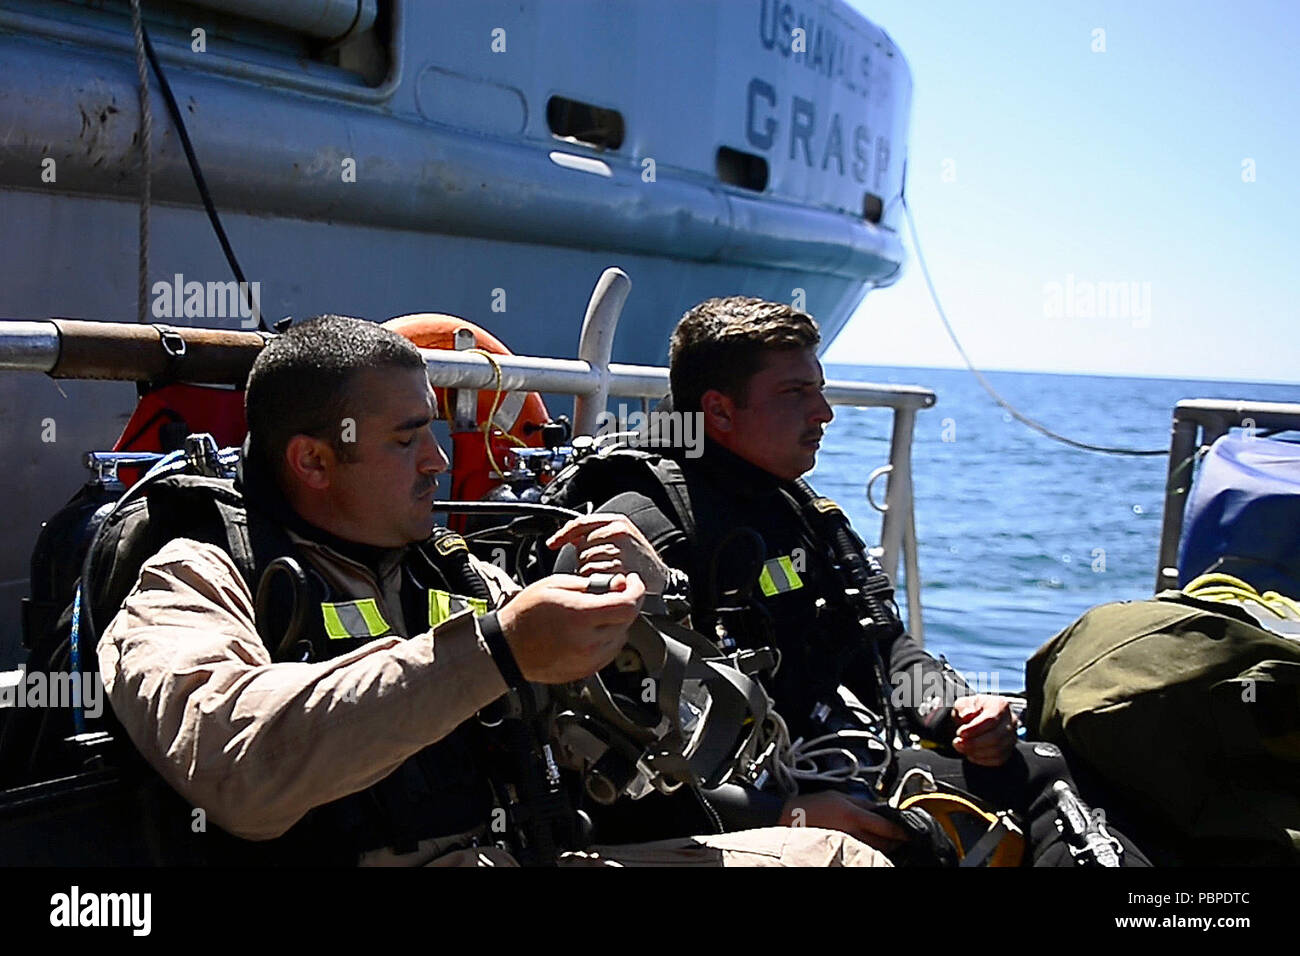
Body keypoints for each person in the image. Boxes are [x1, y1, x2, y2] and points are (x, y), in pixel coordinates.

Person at [95, 314, 889, 867]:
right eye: (408, 441)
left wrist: (650, 610)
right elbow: (239, 766)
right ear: (312, 460)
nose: (439, 464)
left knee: (839, 856)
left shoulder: (457, 573)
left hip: (513, 852)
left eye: (435, 434)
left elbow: (663, 752)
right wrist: (497, 651)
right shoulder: (196, 574)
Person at [543, 296, 1150, 866]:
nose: (824, 412)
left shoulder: (798, 510)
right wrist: (785, 812)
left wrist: (953, 711)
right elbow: (612, 762)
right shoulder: (641, 528)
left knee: (1042, 769)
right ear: (718, 410)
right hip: (723, 804)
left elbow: (882, 646)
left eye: (821, 389)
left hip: (823, 766)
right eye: (795, 392)